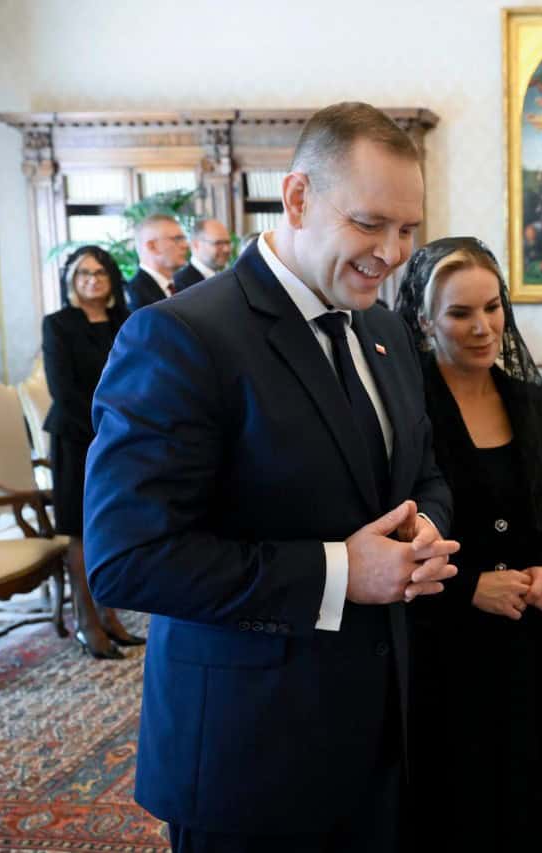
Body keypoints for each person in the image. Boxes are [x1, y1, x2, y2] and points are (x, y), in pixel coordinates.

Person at [84, 102, 459, 852]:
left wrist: (424, 526)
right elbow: (128, 558)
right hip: (250, 753)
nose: (392, 253)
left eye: (407, 229)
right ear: (296, 198)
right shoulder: (180, 336)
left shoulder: (384, 327)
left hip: (384, 737)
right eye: (369, 224)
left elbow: (424, 470)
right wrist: (340, 571)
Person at [395, 237, 542, 853]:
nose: (483, 327)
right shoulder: (406, 410)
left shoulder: (527, 401)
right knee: (453, 799)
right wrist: (470, 586)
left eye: (492, 307)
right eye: (460, 313)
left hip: (517, 637)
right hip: (435, 637)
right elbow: (392, 533)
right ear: (425, 321)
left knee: (521, 789)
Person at [41, 245, 142, 659]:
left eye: (100, 272)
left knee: (111, 526)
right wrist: (106, 432)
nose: (92, 280)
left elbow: (139, 378)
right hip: (77, 439)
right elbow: (63, 391)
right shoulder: (58, 324)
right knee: (83, 531)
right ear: (71, 280)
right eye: (83, 273)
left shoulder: (126, 320)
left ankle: (110, 615)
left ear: (112, 279)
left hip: (123, 437)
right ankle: (87, 621)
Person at [124, 214, 188, 311]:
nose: (185, 245)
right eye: (177, 239)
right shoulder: (134, 294)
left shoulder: (182, 285)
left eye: (183, 239)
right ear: (152, 246)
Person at [172, 218, 233, 292]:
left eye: (228, 243)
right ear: (196, 245)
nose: (226, 249)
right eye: (218, 243)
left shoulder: (227, 279)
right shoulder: (180, 284)